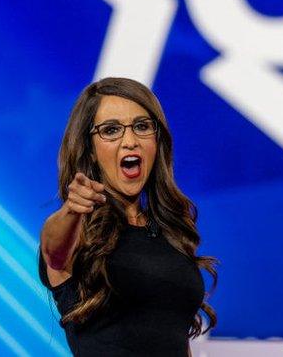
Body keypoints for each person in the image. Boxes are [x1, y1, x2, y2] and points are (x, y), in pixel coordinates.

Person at [38, 77, 217, 355]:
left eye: (142, 126)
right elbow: (54, 251)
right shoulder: (78, 231)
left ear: (157, 141)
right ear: (91, 151)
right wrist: (72, 209)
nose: (130, 141)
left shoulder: (169, 230)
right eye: (111, 130)